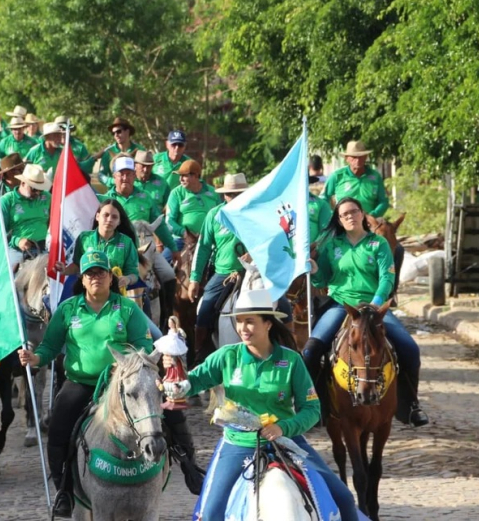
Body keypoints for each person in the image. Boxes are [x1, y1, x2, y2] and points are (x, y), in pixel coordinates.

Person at [163, 288, 360, 521]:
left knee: (344, 498)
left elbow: (312, 410)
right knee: (208, 513)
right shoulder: (226, 356)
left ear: (268, 324)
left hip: (286, 440)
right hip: (239, 443)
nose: (243, 328)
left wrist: (283, 428)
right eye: (239, 322)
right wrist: (175, 381)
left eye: (250, 322)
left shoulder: (291, 360)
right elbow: (192, 383)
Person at [17, 251, 154, 517]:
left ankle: (185, 461)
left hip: (121, 384)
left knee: (160, 414)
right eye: (90, 273)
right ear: (82, 278)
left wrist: (129, 362)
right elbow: (50, 346)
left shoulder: (126, 308)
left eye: (101, 272)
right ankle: (64, 490)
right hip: (81, 383)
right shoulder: (68, 308)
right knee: (57, 431)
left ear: (110, 276)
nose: (96, 277)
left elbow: (144, 344)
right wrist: (35, 357)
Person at [303, 197, 429, 427]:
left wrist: (376, 304)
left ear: (362, 214)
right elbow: (323, 280)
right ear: (339, 220)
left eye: (354, 212)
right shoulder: (332, 245)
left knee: (410, 349)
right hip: (341, 305)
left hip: (374, 307)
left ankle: (411, 405)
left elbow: (387, 278)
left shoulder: (378, 244)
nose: (350, 216)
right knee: (310, 352)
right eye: (344, 215)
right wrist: (314, 269)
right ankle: (314, 407)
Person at [97, 154, 178, 322]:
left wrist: (174, 248)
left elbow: (160, 225)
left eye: (129, 174)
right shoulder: (105, 200)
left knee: (169, 274)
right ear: (114, 177)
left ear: (134, 175)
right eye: (121, 174)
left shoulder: (145, 198)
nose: (125, 178)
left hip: (147, 251)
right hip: (117, 252)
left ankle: (167, 316)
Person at [187, 173, 251, 368]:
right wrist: (194, 279)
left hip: (253, 272)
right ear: (224, 195)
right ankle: (201, 353)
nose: (234, 197)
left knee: (283, 305)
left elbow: (268, 241)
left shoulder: (254, 213)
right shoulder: (214, 215)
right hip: (224, 273)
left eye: (238, 193)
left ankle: (287, 347)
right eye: (230, 194)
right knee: (204, 309)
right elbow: (203, 246)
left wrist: (254, 254)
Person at [164, 159, 220, 261]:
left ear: (195, 176)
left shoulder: (213, 193)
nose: (180, 179)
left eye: (184, 176)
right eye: (180, 176)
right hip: (182, 240)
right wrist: (184, 233)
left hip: (209, 240)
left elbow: (221, 218)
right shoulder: (176, 193)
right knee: (161, 265)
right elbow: (169, 222)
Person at [0, 164, 51, 269]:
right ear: (23, 183)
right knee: (13, 280)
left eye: (40, 189)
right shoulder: (7, 200)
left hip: (44, 248)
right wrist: (17, 241)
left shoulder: (47, 197)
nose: (37, 193)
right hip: (17, 249)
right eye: (34, 189)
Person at [321, 141, 388, 218]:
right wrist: (333, 216)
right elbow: (323, 199)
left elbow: (383, 201)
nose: (358, 160)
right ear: (347, 158)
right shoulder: (337, 176)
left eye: (361, 156)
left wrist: (373, 215)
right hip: (343, 223)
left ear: (366, 157)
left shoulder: (375, 177)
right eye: (354, 157)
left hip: (369, 224)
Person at [97, 117, 145, 187]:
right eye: (113, 133)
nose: (116, 135)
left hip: (136, 192)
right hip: (115, 193)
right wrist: (112, 181)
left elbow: (146, 172)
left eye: (118, 131)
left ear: (128, 131)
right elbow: (100, 175)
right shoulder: (108, 152)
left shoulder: (140, 150)